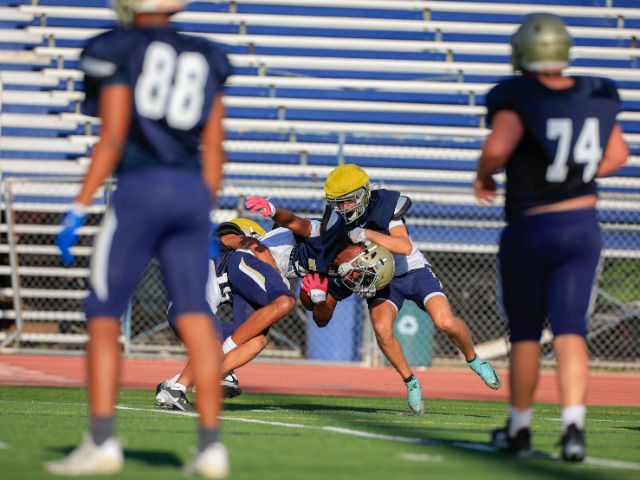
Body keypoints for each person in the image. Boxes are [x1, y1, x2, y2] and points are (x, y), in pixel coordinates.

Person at [47, 1, 231, 477]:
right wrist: (202, 206)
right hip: (190, 192)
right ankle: (211, 448)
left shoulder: (117, 47)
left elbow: (112, 136)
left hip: (140, 190)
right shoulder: (205, 53)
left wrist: (79, 205)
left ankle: (102, 441)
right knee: (195, 312)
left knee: (103, 313)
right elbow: (216, 145)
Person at [474, 13, 628, 461]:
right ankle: (574, 429)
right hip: (581, 225)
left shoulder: (517, 95)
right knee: (570, 329)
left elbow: (498, 148)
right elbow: (618, 154)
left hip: (532, 226)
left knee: (526, 333)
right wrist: (575, 177)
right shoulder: (596, 92)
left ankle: (520, 430)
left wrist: (484, 174)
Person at [247, 172, 501, 417]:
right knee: (381, 328)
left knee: (444, 321)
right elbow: (299, 226)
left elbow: (404, 246)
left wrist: (368, 234)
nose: (343, 208)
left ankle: (474, 360)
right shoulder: (333, 231)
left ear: (363, 194)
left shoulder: (382, 206)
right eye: (337, 203)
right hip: (376, 279)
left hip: (411, 271)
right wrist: (318, 297)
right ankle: (411, 382)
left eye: (348, 201)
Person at [156, 218, 296, 409]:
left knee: (256, 341)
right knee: (213, 345)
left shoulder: (236, 269)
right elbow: (248, 243)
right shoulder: (225, 246)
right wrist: (273, 270)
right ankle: (177, 390)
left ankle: (177, 382)